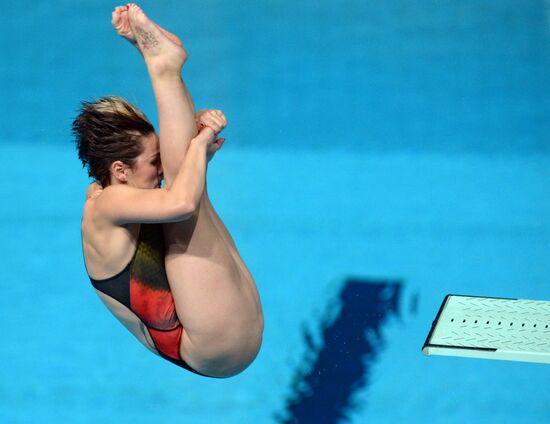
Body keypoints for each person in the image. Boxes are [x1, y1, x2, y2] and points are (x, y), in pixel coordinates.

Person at [72, 3, 263, 378]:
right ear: (120, 170)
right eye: (152, 160)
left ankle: (161, 64)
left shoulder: (119, 192)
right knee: (186, 197)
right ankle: (162, 67)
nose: (159, 169)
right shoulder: (106, 203)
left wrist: (198, 149)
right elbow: (182, 200)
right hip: (211, 347)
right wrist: (200, 140)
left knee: (188, 185)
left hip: (223, 334)